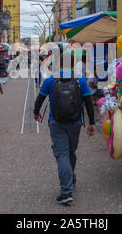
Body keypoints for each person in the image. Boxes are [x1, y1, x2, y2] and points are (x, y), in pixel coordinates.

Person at [33, 50, 95, 205]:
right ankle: (70, 178)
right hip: (75, 122)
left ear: (59, 63)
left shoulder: (50, 80)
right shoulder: (80, 80)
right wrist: (92, 123)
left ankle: (66, 191)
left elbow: (40, 98)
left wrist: (36, 113)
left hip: (56, 122)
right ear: (73, 64)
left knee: (62, 155)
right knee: (70, 152)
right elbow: (88, 102)